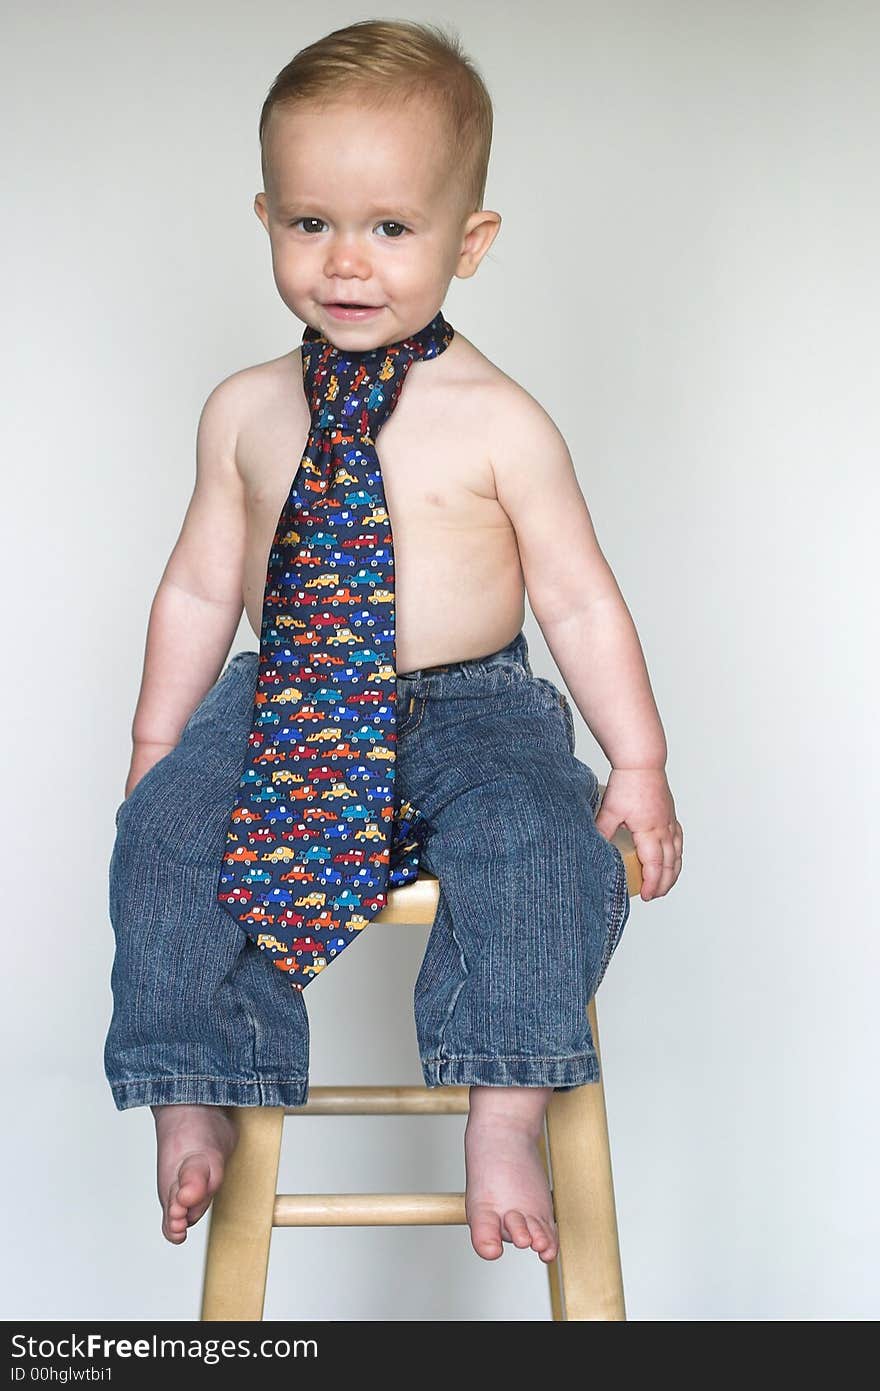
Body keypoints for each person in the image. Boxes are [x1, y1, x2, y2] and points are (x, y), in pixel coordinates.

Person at [105, 17, 684, 1266]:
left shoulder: (499, 417)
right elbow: (203, 586)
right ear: (265, 217)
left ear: (468, 242)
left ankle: (503, 1104)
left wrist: (636, 759)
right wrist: (161, 739)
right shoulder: (246, 411)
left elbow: (579, 599)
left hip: (471, 707)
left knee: (538, 845)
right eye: (311, 223)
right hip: (288, 694)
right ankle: (187, 1084)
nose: (346, 261)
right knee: (159, 832)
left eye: (391, 227)